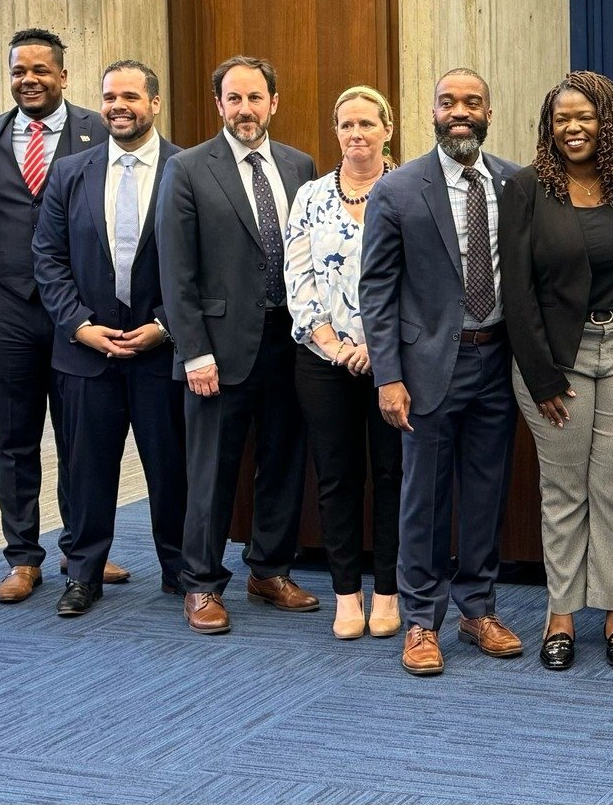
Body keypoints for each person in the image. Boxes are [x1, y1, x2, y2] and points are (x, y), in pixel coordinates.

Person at [500, 71, 613, 671]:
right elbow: (515, 291)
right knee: (564, 489)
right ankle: (563, 615)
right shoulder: (525, 189)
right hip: (556, 358)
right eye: (561, 119)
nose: (573, 129)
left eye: (585, 117)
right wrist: (541, 374)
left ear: (609, 122)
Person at [361, 68, 526, 676]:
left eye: (473, 102)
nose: (461, 111)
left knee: (486, 491)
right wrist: (387, 376)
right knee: (423, 497)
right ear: (431, 111)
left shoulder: (514, 183)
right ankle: (422, 620)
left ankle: (477, 608)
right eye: (448, 101)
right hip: (428, 365)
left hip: (497, 362)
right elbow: (375, 289)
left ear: (489, 112)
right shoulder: (399, 189)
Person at [156, 55, 320, 635]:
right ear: (218, 104)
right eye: (234, 98)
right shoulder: (188, 168)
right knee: (211, 470)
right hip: (218, 351)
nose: (245, 109)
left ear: (274, 103)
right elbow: (175, 274)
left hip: (291, 342)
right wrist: (193, 352)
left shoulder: (301, 166)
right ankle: (200, 582)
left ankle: (269, 570)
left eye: (256, 98)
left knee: (282, 460)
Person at [0, 29, 113, 604]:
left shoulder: (97, 131)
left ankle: (83, 550)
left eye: (41, 70)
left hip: (77, 311)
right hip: (4, 310)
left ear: (64, 76)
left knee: (80, 438)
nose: (30, 79)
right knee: (14, 438)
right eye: (20, 70)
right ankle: (22, 556)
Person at [31, 60, 188, 616]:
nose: (118, 106)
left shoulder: (186, 169)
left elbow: (206, 262)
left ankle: (182, 572)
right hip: (85, 352)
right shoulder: (71, 171)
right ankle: (83, 574)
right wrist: (79, 325)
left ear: (155, 103)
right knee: (87, 470)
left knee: (171, 470)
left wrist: (166, 324)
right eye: (108, 97)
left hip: (160, 351)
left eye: (130, 96)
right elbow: (46, 258)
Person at [285, 85, 403, 640]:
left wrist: (377, 349)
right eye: (346, 125)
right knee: (335, 478)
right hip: (323, 362)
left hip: (395, 363)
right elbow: (299, 282)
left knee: (391, 475)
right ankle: (346, 595)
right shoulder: (309, 197)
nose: (356, 134)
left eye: (366, 124)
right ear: (335, 133)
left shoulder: (410, 190)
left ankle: (387, 592)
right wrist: (336, 346)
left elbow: (425, 283)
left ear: (388, 129)